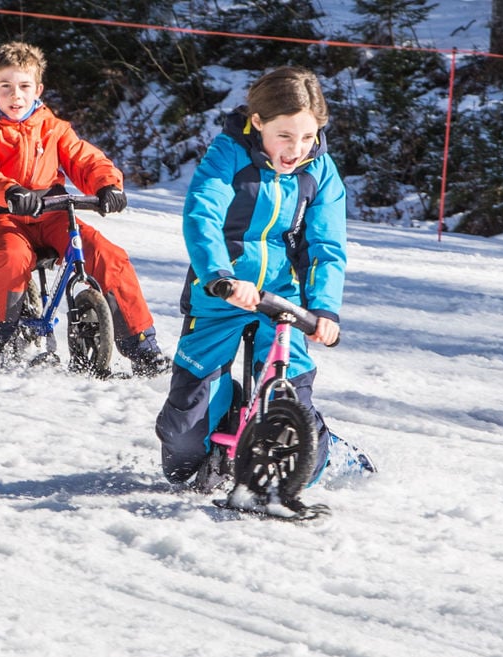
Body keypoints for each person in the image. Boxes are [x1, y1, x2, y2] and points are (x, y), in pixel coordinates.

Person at [155, 67, 370, 509]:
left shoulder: (320, 172)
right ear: (258, 122)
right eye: (285, 136)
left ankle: (327, 452)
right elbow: (203, 215)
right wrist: (220, 276)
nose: (296, 149)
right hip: (220, 294)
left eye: (308, 137)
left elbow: (326, 245)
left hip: (283, 300)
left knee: (293, 416)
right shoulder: (227, 155)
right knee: (182, 448)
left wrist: (324, 310)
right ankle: (219, 425)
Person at [0, 41, 169, 376]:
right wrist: (8, 190)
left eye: (24, 87)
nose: (15, 96)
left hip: (51, 212)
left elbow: (84, 159)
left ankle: (142, 347)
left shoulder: (51, 127)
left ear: (37, 89)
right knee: (11, 258)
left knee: (106, 255)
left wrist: (107, 185)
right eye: (6, 87)